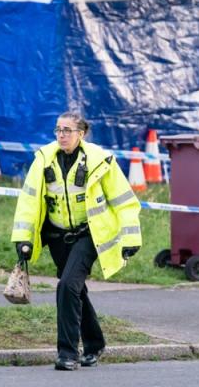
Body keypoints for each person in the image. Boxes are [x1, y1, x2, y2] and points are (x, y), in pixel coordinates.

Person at [11, 111, 142, 370]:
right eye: (58, 130)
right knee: (75, 290)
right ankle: (95, 345)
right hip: (57, 237)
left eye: (67, 130)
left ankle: (67, 353)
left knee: (66, 287)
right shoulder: (44, 159)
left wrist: (131, 237)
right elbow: (28, 200)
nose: (61, 135)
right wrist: (23, 238)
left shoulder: (99, 160)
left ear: (80, 134)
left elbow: (124, 201)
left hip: (88, 235)